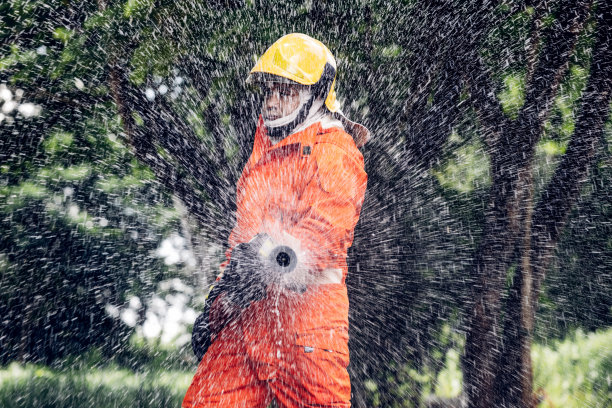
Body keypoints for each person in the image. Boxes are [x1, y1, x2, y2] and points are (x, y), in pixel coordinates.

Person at [183, 33, 369, 408]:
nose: (272, 99)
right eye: (269, 89)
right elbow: (243, 241)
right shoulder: (263, 153)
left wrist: (270, 259)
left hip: (307, 329)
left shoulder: (335, 151)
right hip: (248, 324)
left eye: (285, 90)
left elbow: (325, 233)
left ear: (317, 93)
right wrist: (218, 305)